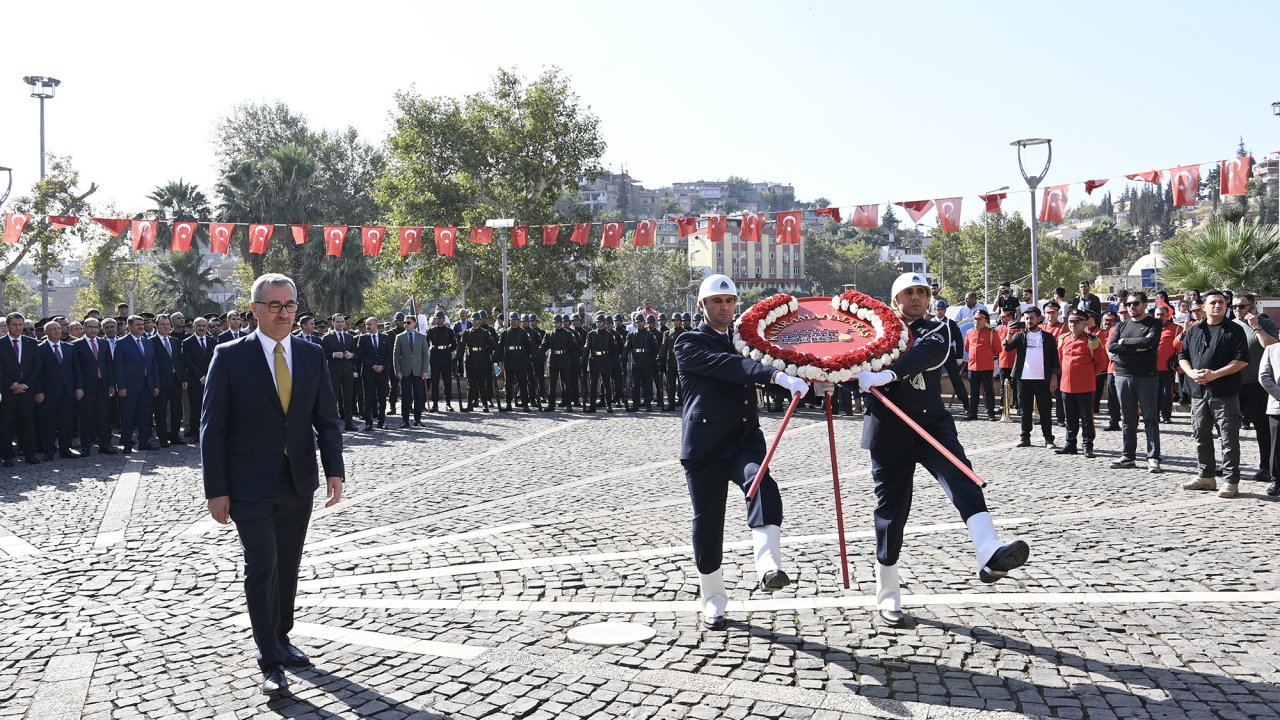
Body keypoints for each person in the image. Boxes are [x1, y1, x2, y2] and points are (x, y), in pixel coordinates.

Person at [853, 273, 1029, 627]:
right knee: (891, 511)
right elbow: (843, 358)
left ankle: (988, 551)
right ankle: (887, 595)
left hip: (930, 422)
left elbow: (927, 355)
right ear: (894, 298)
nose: (916, 298)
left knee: (963, 476)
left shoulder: (941, 327)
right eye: (908, 292)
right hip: (888, 430)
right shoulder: (869, 331)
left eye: (922, 292)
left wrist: (884, 375)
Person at [201, 273, 343, 697]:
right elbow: (212, 428)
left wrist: (334, 470)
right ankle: (270, 659)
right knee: (262, 564)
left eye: (291, 305)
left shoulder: (311, 354)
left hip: (298, 480)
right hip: (247, 483)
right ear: (255, 310)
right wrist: (216, 489)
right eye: (276, 305)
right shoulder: (229, 356)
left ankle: (282, 636)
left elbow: (327, 419)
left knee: (288, 565)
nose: (284, 313)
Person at [675, 274, 808, 630]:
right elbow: (734, 368)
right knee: (708, 523)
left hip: (744, 438)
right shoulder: (688, 342)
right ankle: (713, 598)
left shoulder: (747, 341)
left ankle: (768, 565)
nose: (723, 307)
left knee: (761, 482)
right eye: (716, 302)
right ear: (702, 306)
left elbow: (776, 365)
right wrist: (776, 376)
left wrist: (808, 381)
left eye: (729, 301)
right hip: (704, 445)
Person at [1177, 290, 1249, 498]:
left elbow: (1242, 360)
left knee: (1228, 437)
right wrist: (1191, 373)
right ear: (1205, 307)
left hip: (1224, 393)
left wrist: (1215, 374)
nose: (1218, 306)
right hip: (1198, 393)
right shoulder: (1194, 329)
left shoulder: (1234, 330)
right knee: (1201, 435)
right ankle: (1206, 476)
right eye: (1213, 303)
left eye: (1221, 303)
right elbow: (1182, 355)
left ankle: (1231, 481)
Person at [1108, 291, 1164, 472]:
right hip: (1123, 376)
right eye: (1129, 304)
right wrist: (1135, 347)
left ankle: (1153, 457)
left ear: (1145, 304)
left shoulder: (1154, 323)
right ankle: (1128, 456)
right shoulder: (1121, 325)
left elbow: (1149, 343)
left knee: (1150, 418)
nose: (1131, 307)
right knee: (1128, 419)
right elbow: (1112, 346)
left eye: (1135, 303)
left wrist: (1125, 343)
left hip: (1146, 376)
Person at [1230, 292, 1278, 484]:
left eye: (1241, 306)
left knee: (1263, 429)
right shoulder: (1230, 325)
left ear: (1252, 306)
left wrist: (1256, 326)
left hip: (1257, 385)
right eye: (1234, 307)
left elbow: (1273, 347)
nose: (1237, 310)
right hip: (1233, 384)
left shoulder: (1264, 324)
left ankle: (1266, 467)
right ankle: (1229, 466)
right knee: (1228, 428)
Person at [1003, 307, 1060, 448]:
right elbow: (1007, 348)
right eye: (1026, 318)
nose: (1029, 321)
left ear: (1039, 319)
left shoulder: (1047, 337)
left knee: (1045, 409)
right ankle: (1025, 437)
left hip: (1042, 379)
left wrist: (1054, 377)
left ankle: (1048, 438)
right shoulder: (1020, 335)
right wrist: (1009, 333)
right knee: (1025, 409)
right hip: (1024, 378)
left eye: (1032, 318)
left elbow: (1054, 358)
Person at [1055, 309, 1107, 457]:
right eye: (1071, 322)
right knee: (1069, 416)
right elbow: (1060, 360)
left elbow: (1101, 363)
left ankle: (1087, 444)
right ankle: (1070, 444)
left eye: (1077, 322)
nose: (1073, 325)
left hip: (1085, 385)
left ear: (1085, 323)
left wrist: (1088, 374)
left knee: (1086, 417)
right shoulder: (1063, 338)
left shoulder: (1092, 340)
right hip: (1066, 385)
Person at [114, 315, 160, 453]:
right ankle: (127, 443)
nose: (140, 326)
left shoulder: (148, 342)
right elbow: (118, 366)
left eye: (142, 324)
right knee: (128, 416)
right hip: (129, 387)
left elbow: (153, 365)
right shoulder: (122, 342)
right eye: (137, 324)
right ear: (129, 327)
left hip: (147, 385)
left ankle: (144, 442)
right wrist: (121, 386)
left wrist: (156, 384)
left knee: (145, 415)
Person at [73, 317, 116, 456]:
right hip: (86, 387)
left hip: (103, 385)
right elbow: (76, 368)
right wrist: (79, 387)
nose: (93, 330)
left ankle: (104, 445)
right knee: (86, 417)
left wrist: (111, 383)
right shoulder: (76, 345)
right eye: (90, 327)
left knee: (104, 417)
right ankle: (86, 446)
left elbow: (109, 364)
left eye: (96, 327)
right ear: (84, 328)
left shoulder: (103, 343)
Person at [37, 321, 79, 460]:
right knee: (49, 423)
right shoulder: (39, 349)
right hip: (48, 393)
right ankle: (49, 451)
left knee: (66, 422)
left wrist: (79, 387)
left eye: (58, 328)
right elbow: (37, 372)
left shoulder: (69, 347)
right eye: (53, 329)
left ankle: (65, 449)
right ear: (45, 332)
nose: (57, 331)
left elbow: (76, 370)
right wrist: (39, 391)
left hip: (67, 391)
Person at [932, 300, 969, 412]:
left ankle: (966, 404)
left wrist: (959, 356)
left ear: (945, 310)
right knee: (933, 378)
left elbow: (959, 340)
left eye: (942, 310)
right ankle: (934, 403)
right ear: (935, 310)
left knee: (956, 378)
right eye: (938, 310)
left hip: (949, 351)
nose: (940, 312)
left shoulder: (952, 323)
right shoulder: (930, 322)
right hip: (934, 353)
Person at [182, 317, 215, 443]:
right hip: (195, 381)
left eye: (204, 325)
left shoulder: (212, 341)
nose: (201, 328)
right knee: (195, 408)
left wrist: (209, 376)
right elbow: (188, 361)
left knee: (210, 407)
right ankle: (195, 434)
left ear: (207, 327)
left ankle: (209, 432)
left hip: (210, 380)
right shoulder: (187, 342)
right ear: (193, 327)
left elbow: (214, 360)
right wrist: (200, 376)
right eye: (199, 325)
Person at [963, 309, 1000, 421]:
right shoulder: (969, 332)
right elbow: (967, 348)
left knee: (988, 391)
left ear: (985, 320)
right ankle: (973, 413)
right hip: (973, 367)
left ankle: (990, 413)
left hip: (986, 367)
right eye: (975, 319)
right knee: (974, 392)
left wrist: (986, 355)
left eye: (979, 319)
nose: (976, 321)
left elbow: (998, 350)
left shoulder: (992, 332)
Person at [392, 314, 428, 428]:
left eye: (408, 322)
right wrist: (397, 370)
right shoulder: (400, 337)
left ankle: (418, 419)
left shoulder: (422, 337)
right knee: (405, 397)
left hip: (418, 371)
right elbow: (395, 355)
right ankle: (405, 420)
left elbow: (425, 355)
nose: (406, 324)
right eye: (405, 323)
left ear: (414, 323)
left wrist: (425, 370)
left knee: (419, 396)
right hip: (405, 371)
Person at [497, 311, 535, 411]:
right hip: (509, 360)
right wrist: (496, 357)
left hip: (521, 360)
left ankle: (525, 404)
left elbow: (530, 347)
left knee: (522, 383)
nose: (513, 322)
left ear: (518, 321)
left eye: (515, 320)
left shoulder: (523, 332)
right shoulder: (505, 332)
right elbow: (500, 346)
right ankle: (508, 403)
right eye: (511, 320)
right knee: (508, 383)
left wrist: (530, 358)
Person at [459, 312, 496, 412]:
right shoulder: (467, 333)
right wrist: (458, 359)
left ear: (480, 321)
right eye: (473, 319)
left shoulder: (485, 332)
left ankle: (485, 404)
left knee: (482, 384)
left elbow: (493, 345)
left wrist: (485, 351)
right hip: (470, 361)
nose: (475, 321)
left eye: (476, 319)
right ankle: (469, 404)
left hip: (482, 361)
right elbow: (461, 347)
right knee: (471, 385)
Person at [624, 313, 660, 411]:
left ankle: (648, 404)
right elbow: (627, 347)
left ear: (644, 322)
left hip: (646, 362)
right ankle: (635, 405)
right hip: (636, 362)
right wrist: (624, 357)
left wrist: (651, 360)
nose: (639, 324)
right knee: (636, 385)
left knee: (647, 384)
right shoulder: (632, 334)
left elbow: (655, 349)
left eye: (641, 322)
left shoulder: (649, 335)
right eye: (637, 322)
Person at [541, 314, 577, 411]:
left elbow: (575, 346)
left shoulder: (568, 333)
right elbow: (543, 346)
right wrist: (535, 356)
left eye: (557, 322)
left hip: (564, 358)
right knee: (552, 383)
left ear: (561, 323)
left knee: (566, 383)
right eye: (554, 323)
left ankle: (568, 404)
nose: (555, 324)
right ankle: (551, 405)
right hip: (553, 358)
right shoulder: (549, 334)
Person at [1259, 337, 1280, 496]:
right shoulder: (1272, 350)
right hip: (1277, 406)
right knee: (1277, 446)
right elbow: (1264, 377)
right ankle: (1277, 481)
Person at [584, 313, 617, 413]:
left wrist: (612, 361)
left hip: (605, 360)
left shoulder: (609, 335)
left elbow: (615, 349)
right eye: (597, 322)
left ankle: (609, 405)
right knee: (593, 385)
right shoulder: (591, 334)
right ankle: (592, 405)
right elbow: (587, 348)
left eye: (600, 322)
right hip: (594, 360)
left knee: (607, 384)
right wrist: (583, 360)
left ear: (604, 323)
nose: (598, 324)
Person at [426, 311, 458, 412]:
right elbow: (426, 343)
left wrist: (447, 351)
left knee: (447, 382)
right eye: (437, 318)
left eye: (440, 318)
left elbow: (454, 345)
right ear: (435, 319)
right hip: (435, 357)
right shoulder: (431, 330)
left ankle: (448, 403)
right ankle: (435, 403)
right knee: (434, 383)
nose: (439, 320)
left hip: (446, 358)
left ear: (444, 319)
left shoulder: (449, 331)